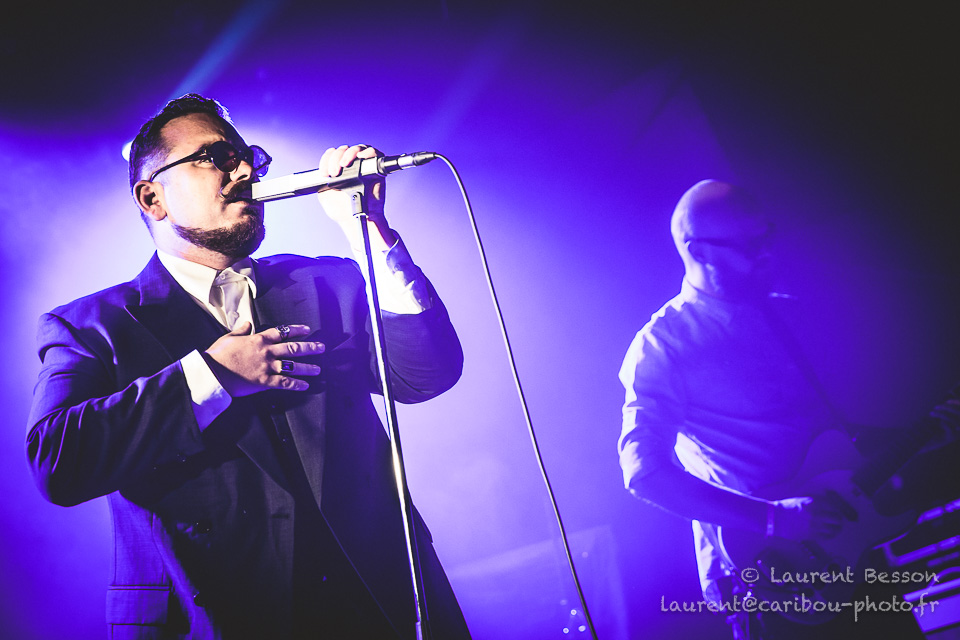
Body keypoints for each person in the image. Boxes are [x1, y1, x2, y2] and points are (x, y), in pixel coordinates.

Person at [26, 94, 471, 639]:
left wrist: (368, 229)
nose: (243, 171)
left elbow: (427, 373)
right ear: (152, 197)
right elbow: (57, 460)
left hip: (378, 606)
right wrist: (213, 375)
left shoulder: (325, 282)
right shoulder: (92, 325)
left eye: (248, 157)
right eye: (215, 157)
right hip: (211, 620)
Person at [617, 180, 925, 639]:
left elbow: (835, 439)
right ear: (699, 250)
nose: (766, 253)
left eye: (768, 235)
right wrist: (774, 519)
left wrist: (922, 435)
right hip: (771, 576)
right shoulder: (662, 346)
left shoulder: (791, 314)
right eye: (749, 244)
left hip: (851, 546)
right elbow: (645, 475)